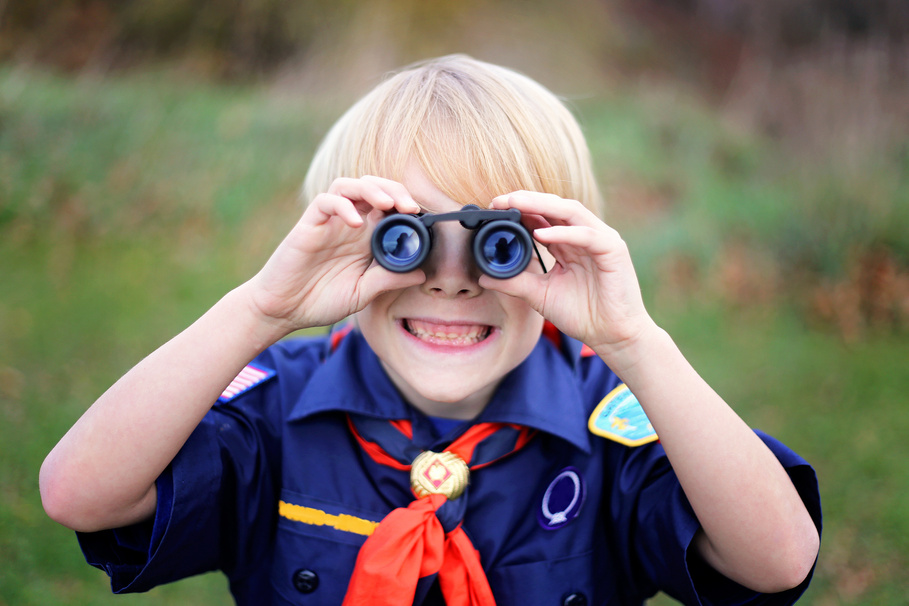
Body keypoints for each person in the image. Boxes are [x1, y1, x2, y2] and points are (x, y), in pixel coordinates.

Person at [40, 55, 821, 606]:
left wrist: (634, 344)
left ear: (562, 247)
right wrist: (260, 311)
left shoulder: (609, 429)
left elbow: (776, 560)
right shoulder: (277, 411)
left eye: (501, 241)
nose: (452, 277)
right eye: (403, 233)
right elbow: (80, 492)